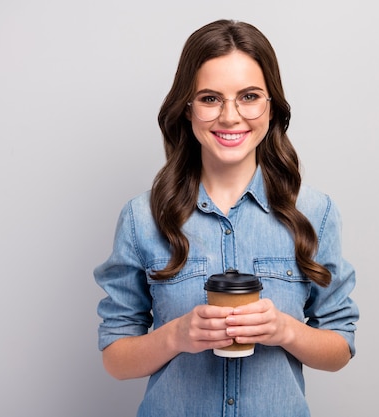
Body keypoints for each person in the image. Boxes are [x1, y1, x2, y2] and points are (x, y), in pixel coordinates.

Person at [94, 19, 359, 417]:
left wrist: (285, 329)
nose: (231, 116)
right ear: (187, 108)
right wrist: (177, 335)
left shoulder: (315, 214)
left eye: (249, 96)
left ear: (272, 107)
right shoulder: (141, 218)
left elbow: (339, 349)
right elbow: (115, 358)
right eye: (210, 98)